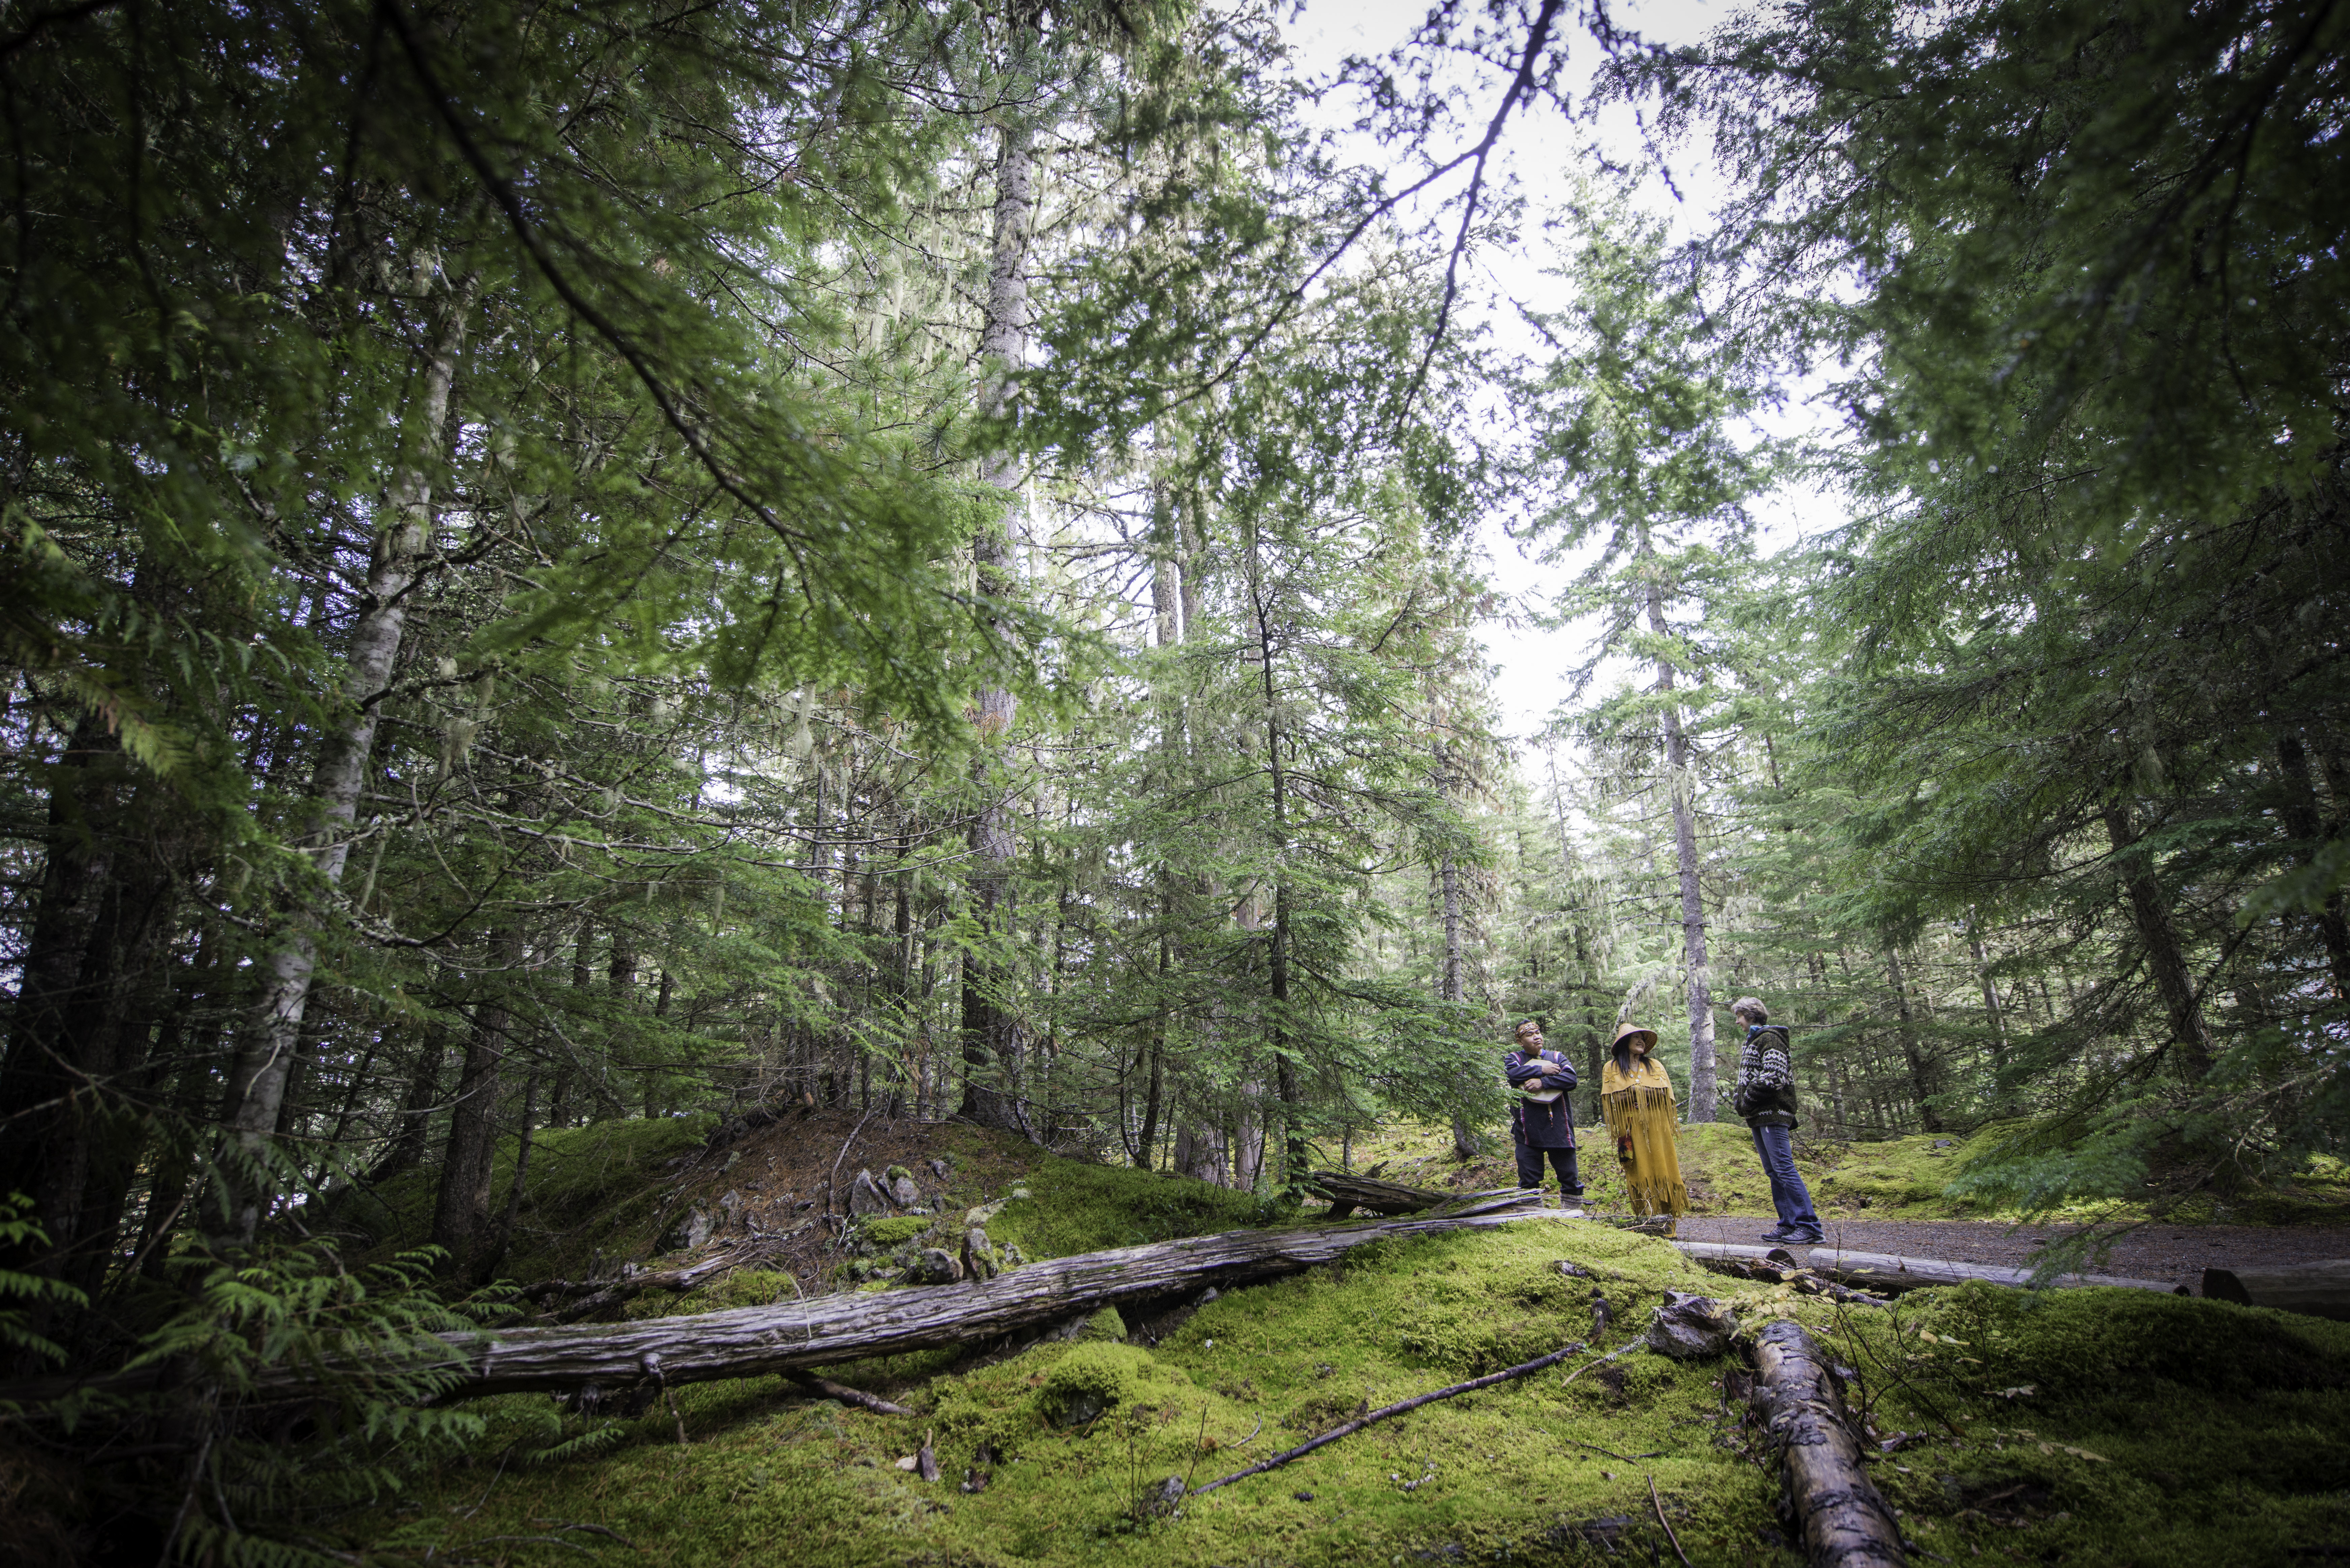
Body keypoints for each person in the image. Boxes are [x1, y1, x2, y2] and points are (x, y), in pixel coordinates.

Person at [1731, 996, 1824, 1245]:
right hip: (1758, 1117)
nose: (1737, 1022)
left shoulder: (1770, 1038)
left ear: (1750, 1015)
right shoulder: (1754, 1041)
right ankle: (1788, 1224)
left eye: (1739, 1016)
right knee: (1774, 1171)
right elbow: (1753, 1075)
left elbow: (1774, 1076)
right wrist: (1739, 1099)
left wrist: (1748, 1098)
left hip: (1772, 1114)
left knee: (1784, 1168)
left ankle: (1810, 1227)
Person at [1599, 1021, 1687, 1232]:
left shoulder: (1655, 1065)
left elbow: (1663, 1093)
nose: (1641, 1041)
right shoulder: (1611, 1068)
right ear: (1624, 1043)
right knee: (1634, 1170)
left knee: (1665, 1169)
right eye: (1636, 1038)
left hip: (1658, 1126)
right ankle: (1646, 1223)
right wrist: (1643, 1091)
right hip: (1627, 1131)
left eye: (1643, 1038)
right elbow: (1614, 1098)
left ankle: (1669, 1226)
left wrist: (1632, 1092)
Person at [1504, 1020, 1584, 1209]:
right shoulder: (1514, 1058)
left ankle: (1574, 1217)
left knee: (1570, 1177)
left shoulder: (1557, 1057)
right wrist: (1542, 1069)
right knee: (1529, 1179)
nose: (1537, 1037)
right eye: (1530, 1035)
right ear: (1520, 1041)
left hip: (1559, 1128)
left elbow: (1571, 1079)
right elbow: (1514, 1075)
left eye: (1538, 1033)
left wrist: (1544, 1082)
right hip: (1527, 1131)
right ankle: (1532, 1217)